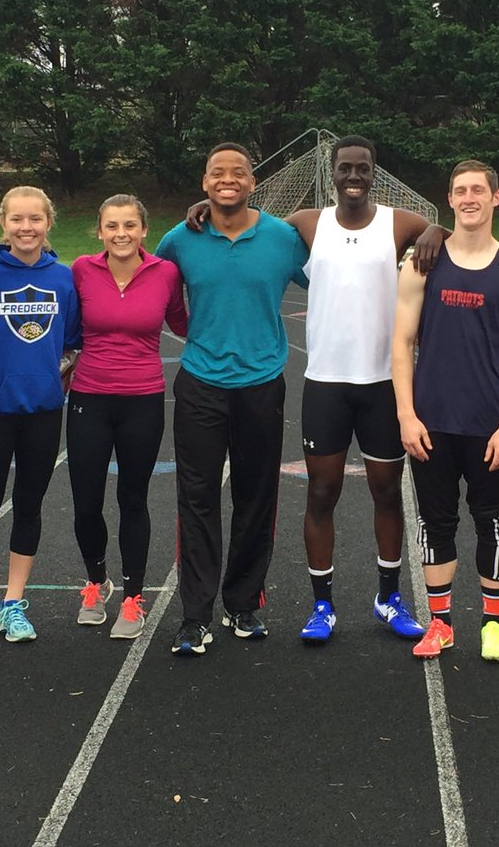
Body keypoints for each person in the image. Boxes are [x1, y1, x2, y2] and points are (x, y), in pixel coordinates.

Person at [190, 135, 432, 644]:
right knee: (322, 492)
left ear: (373, 171)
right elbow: (240, 215)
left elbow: (452, 234)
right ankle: (322, 605)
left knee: (387, 492)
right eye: (344, 168)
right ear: (332, 171)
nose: (353, 176)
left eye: (362, 168)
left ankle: (388, 597)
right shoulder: (306, 223)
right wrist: (202, 207)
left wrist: (435, 231)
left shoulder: (400, 223)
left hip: (384, 384)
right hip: (324, 383)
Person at [156, 142, 309, 656]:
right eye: (217, 173)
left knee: (256, 495)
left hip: (263, 382)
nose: (228, 180)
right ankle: (194, 615)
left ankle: (242, 604)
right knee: (195, 498)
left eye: (238, 172)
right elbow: (149, 286)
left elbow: (334, 280)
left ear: (252, 182)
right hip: (200, 381)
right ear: (204, 184)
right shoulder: (180, 239)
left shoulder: (284, 239)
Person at [391, 160, 499, 661]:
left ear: (497, 198)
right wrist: (407, 416)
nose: (469, 197)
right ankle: (441, 622)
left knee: (492, 520)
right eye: (460, 190)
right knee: (435, 522)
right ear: (449, 199)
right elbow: (402, 342)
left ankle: (493, 624)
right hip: (431, 422)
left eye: (479, 189)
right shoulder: (423, 264)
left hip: (489, 423)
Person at [0, 186, 81, 642]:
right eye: (17, 220)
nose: (27, 228)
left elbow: (71, 342)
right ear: (2, 222)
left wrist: (51, 375)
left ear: (49, 223)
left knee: (30, 503)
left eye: (36, 219)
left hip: (44, 412)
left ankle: (12, 602)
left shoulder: (64, 278)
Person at [68, 195, 188, 638]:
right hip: (89, 398)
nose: (122, 234)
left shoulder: (166, 273)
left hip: (143, 399)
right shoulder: (81, 269)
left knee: (132, 500)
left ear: (144, 231)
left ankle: (134, 597)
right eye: (112, 226)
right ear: (99, 231)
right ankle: (95, 583)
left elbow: (184, 324)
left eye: (130, 225)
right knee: (85, 501)